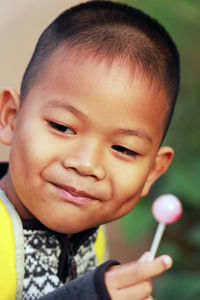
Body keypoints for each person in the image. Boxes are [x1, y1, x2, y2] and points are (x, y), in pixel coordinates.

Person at [0, 0, 180, 299]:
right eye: (62, 127)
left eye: (123, 148)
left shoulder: (90, 230)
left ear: (152, 171)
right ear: (11, 119)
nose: (86, 165)